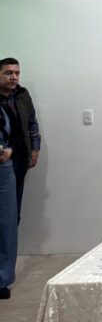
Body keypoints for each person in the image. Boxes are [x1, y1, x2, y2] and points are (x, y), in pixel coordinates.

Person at [0, 57, 42, 223]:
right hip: (1, 160)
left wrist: (35, 149)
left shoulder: (22, 94)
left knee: (13, 211)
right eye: (8, 73)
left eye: (17, 73)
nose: (14, 77)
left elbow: (32, 123)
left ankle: (11, 240)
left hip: (19, 159)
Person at [0, 112, 18, 299]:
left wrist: (10, 150)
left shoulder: (6, 107)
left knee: (7, 225)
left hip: (4, 169)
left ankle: (2, 280)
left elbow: (17, 133)